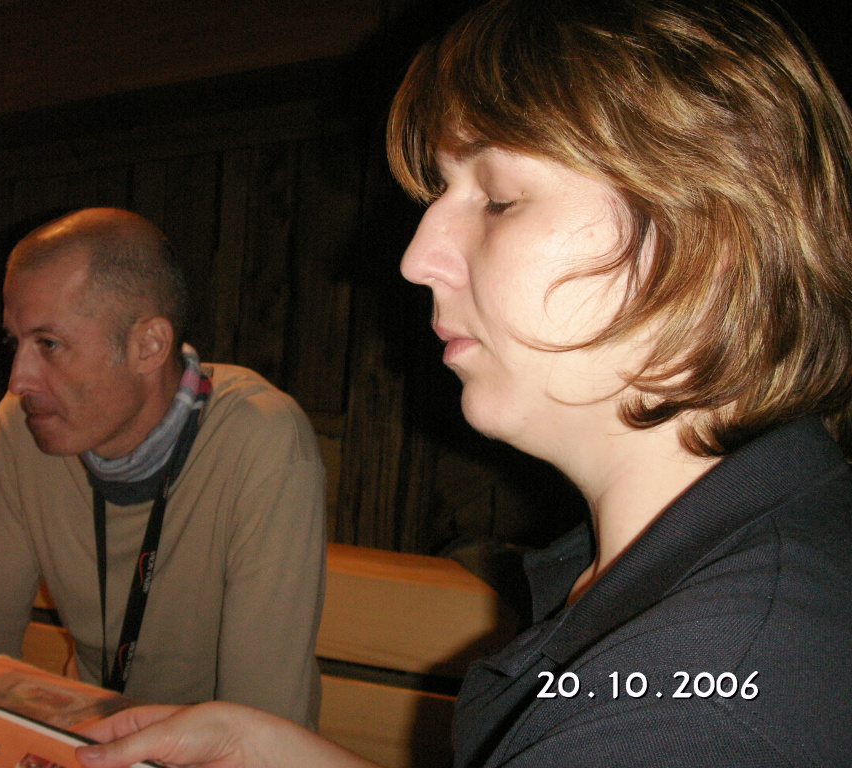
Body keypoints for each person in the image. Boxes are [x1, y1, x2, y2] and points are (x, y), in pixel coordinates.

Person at [71, 0, 852, 765]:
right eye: (442, 194)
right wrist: (267, 751)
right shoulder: (735, 558)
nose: (417, 259)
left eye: (499, 199)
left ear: (712, 240)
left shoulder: (693, 713)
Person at [0, 208, 326, 728]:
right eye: (15, 343)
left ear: (148, 346)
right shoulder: (24, 426)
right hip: (87, 739)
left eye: (49, 344)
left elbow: (258, 730)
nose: (18, 380)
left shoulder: (262, 440)